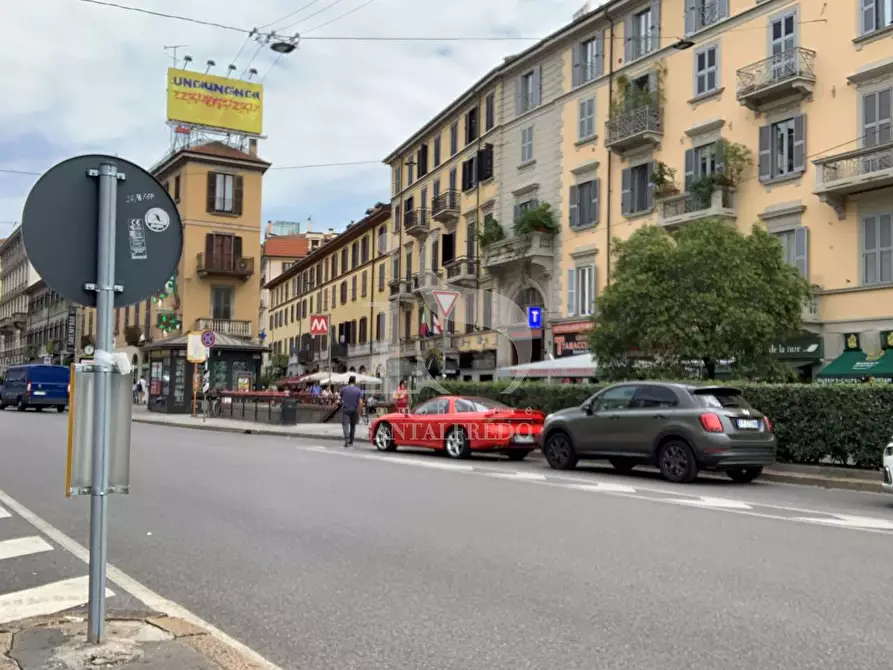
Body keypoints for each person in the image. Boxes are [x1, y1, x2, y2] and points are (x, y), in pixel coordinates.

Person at [340, 376, 364, 448]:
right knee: (353, 425)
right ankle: (351, 440)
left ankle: (346, 438)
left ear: (349, 381)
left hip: (346, 409)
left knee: (345, 425)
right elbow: (360, 401)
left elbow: (341, 397)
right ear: (355, 381)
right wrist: (360, 410)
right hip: (354, 409)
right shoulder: (358, 390)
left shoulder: (344, 389)